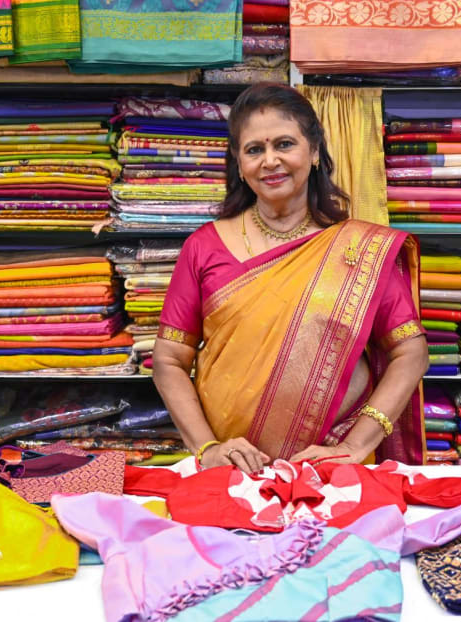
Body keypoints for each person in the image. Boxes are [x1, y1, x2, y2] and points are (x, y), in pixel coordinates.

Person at [152, 83, 428, 473]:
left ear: (314, 152)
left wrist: (354, 446)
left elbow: (410, 352)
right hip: (231, 471)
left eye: (284, 144)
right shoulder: (204, 246)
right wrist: (208, 449)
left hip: (331, 470)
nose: (270, 161)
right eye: (254, 149)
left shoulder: (357, 250)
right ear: (238, 162)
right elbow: (168, 360)